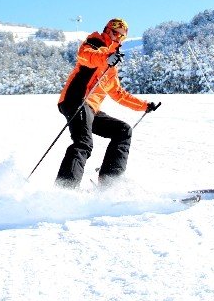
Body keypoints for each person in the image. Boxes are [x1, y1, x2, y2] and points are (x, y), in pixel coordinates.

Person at [55, 18, 160, 189]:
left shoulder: (111, 67)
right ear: (107, 30)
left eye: (121, 36)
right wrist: (106, 58)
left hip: (92, 109)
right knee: (83, 143)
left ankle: (110, 184)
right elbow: (85, 56)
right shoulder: (95, 42)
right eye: (114, 32)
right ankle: (64, 190)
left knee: (123, 130)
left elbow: (119, 94)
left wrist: (144, 106)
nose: (117, 37)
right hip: (76, 100)